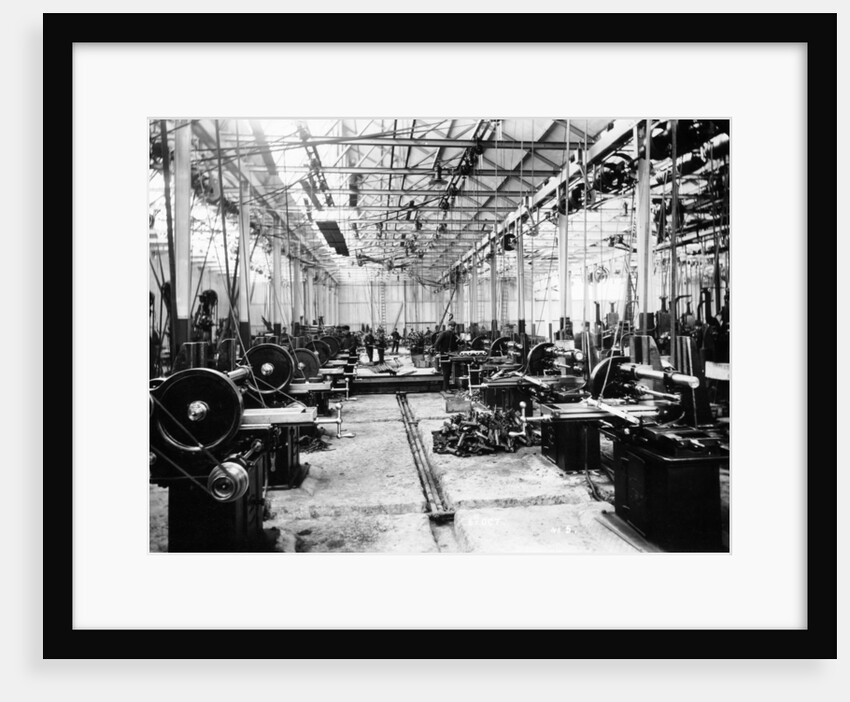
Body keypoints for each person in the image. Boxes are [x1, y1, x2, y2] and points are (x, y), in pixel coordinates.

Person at [432, 321, 460, 391]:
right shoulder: (443, 334)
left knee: (449, 372)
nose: (452, 328)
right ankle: (446, 388)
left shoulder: (453, 335)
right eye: (451, 326)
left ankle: (447, 387)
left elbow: (454, 345)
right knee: (446, 372)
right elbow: (437, 343)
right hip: (444, 355)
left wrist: (459, 341)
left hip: (450, 355)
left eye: (453, 326)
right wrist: (438, 351)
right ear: (448, 326)